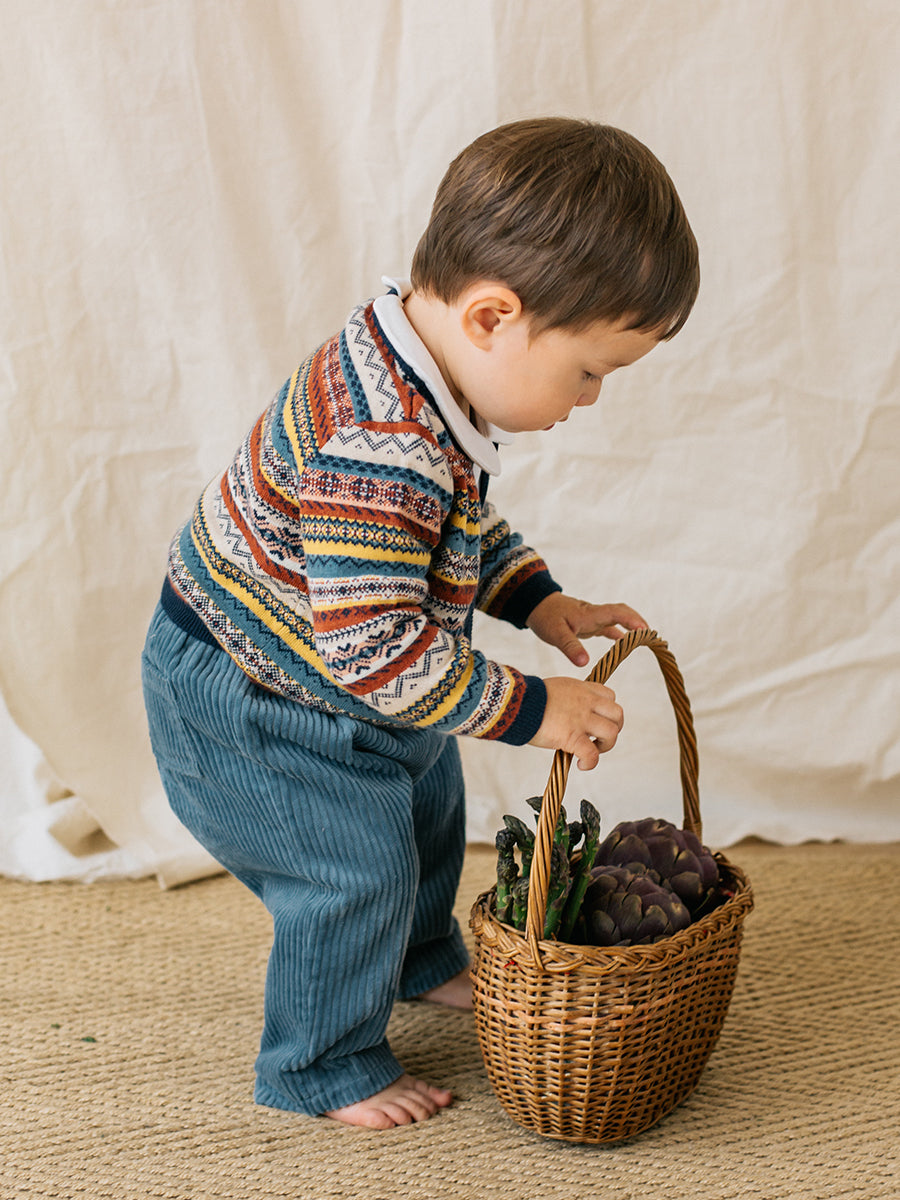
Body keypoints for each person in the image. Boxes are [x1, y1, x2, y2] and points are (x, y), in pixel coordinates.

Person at [141, 117, 699, 1130]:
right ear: (492, 316)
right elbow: (379, 652)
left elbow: (448, 531)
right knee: (351, 868)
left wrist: (537, 599)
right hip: (251, 700)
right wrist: (536, 710)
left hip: (333, 667)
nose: (590, 399)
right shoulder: (381, 436)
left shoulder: (427, 372)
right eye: (589, 371)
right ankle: (320, 1062)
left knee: (428, 796)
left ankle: (417, 956)